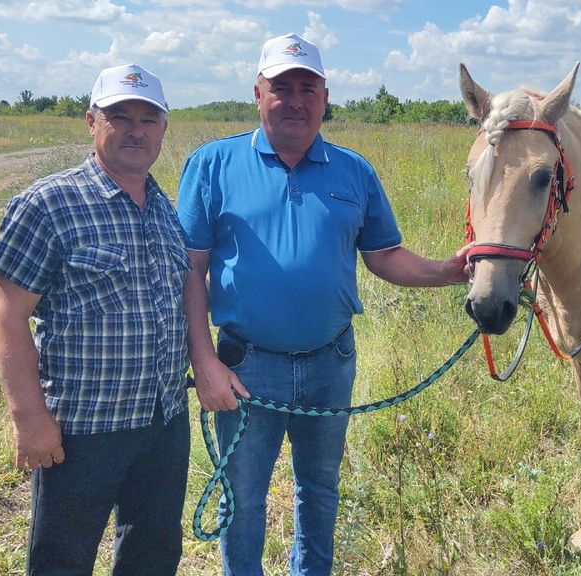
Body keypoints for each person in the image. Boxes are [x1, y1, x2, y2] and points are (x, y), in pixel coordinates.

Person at [177, 33, 469, 575]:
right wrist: (204, 360)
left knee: (320, 487)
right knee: (241, 495)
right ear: (258, 92)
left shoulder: (352, 171)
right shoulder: (212, 164)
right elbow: (190, 269)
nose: (295, 100)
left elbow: (385, 257)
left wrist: (449, 272)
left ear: (326, 96)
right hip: (244, 366)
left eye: (307, 88)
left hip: (329, 362)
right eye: (281, 87)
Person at [0, 63, 190, 575]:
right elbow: (3, 315)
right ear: (91, 121)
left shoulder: (164, 208)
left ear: (163, 129)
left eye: (149, 118)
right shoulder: (49, 203)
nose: (135, 130)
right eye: (120, 116)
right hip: (82, 429)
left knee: (153, 552)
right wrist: (30, 419)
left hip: (163, 421)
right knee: (63, 558)